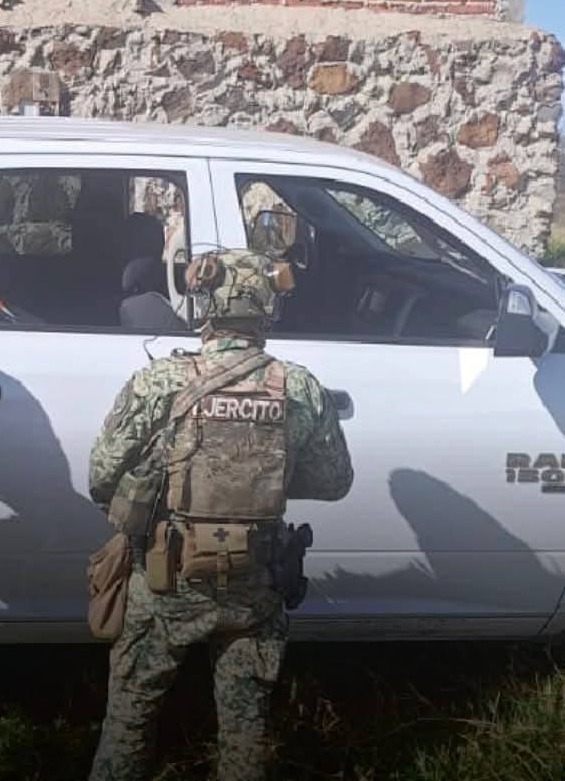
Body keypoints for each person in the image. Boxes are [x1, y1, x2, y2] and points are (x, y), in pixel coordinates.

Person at [87, 249, 354, 781]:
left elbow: (100, 474)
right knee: (245, 727)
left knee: (131, 715)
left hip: (167, 580)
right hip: (256, 583)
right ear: (267, 308)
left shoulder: (160, 380)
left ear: (201, 304)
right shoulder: (298, 387)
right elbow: (334, 482)